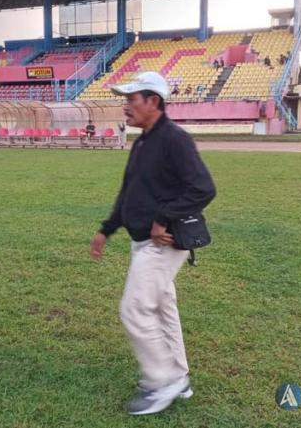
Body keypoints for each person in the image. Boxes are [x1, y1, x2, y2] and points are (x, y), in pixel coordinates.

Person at [89, 71, 216, 416]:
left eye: (131, 99)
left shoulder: (174, 140)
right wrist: (107, 229)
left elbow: (203, 188)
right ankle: (179, 375)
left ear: (153, 101)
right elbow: (128, 192)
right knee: (161, 309)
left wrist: (164, 216)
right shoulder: (143, 141)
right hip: (142, 240)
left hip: (162, 243)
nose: (125, 106)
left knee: (134, 309)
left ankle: (162, 381)